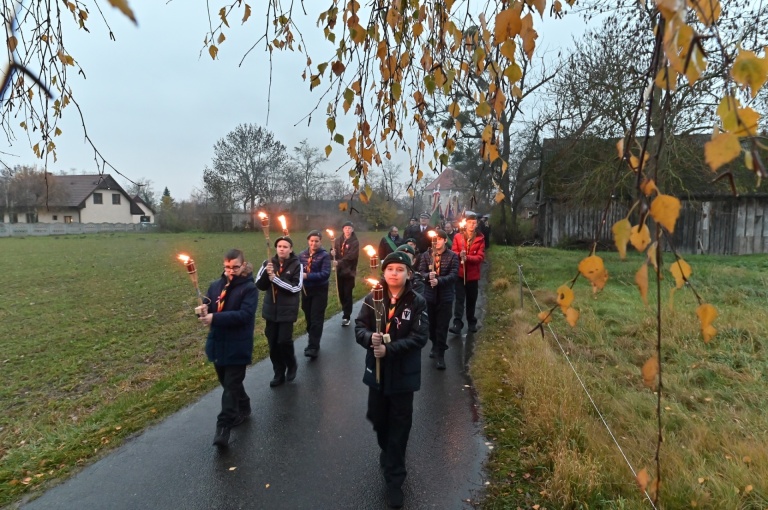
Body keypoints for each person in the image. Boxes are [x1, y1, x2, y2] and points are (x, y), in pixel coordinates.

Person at [354, 251, 428, 509]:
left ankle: (395, 480)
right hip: (377, 373)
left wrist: (390, 349)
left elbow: (420, 338)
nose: (394, 273)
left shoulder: (416, 301)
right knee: (377, 417)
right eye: (390, 269)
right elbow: (359, 327)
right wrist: (367, 338)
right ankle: (387, 449)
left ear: (408, 273)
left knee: (399, 424)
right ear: (383, 273)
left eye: (400, 269)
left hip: (403, 375)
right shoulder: (373, 298)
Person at [200, 249, 259, 448]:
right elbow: (208, 307)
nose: (231, 271)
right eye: (227, 267)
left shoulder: (249, 289)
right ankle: (244, 404)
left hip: (238, 345)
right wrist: (202, 311)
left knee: (230, 388)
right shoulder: (215, 286)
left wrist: (214, 318)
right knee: (228, 384)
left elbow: (244, 315)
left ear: (243, 265)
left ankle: (223, 428)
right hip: (217, 343)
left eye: (235, 267)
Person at [256, 236, 303, 387]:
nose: (282, 248)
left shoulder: (297, 265)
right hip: (271, 311)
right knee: (273, 343)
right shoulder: (268, 263)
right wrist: (266, 274)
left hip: (287, 311)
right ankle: (278, 371)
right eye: (279, 246)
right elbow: (259, 285)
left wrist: (275, 279)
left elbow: (296, 287)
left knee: (284, 340)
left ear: (291, 249)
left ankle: (291, 364)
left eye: (285, 246)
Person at [416, 229, 459, 369]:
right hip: (429, 296)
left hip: (445, 297)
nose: (437, 241)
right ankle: (434, 344)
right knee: (431, 325)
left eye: (440, 239)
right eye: (435, 239)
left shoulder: (452, 256)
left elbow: (453, 275)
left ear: (445, 240)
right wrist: (428, 277)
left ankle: (441, 354)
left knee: (442, 326)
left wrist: (439, 281)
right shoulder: (426, 255)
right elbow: (421, 272)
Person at [450, 211, 486, 334]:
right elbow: (453, 252)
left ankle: (471, 322)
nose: (471, 225)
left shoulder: (480, 238)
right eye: (469, 223)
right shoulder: (458, 237)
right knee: (459, 299)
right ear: (466, 224)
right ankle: (457, 323)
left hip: (472, 275)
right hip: (460, 274)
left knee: (471, 300)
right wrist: (460, 255)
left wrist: (468, 258)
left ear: (476, 224)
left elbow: (480, 257)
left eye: (474, 223)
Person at [298, 230, 331, 359]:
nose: (314, 243)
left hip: (320, 290)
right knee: (309, 317)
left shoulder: (324, 256)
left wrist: (307, 275)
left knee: (316, 317)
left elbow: (325, 274)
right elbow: (297, 268)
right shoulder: (302, 255)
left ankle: (313, 346)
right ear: (308, 241)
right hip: (306, 290)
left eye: (316, 241)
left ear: (320, 242)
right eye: (311, 241)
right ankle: (313, 337)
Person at [331, 221, 360, 326]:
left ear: (352, 230)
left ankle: (346, 316)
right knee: (341, 293)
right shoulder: (338, 240)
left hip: (349, 272)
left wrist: (339, 262)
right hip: (339, 272)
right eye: (346, 228)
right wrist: (332, 253)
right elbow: (334, 252)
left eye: (349, 228)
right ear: (343, 229)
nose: (347, 230)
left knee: (347, 293)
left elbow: (351, 257)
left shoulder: (354, 242)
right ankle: (345, 309)